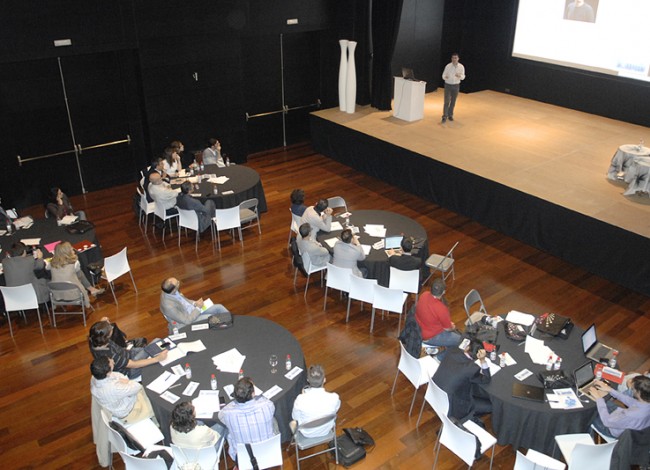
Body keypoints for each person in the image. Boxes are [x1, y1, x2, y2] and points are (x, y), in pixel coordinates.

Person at [433, 338, 492, 421]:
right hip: (452, 404)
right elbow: (486, 379)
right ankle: (468, 419)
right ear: (478, 356)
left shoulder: (452, 351)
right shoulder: (471, 368)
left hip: (434, 391)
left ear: (467, 347)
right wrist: (483, 361)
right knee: (490, 406)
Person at [218, 377, 276, 460]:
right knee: (273, 420)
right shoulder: (267, 406)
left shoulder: (228, 413)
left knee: (227, 428)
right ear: (253, 394)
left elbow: (220, 416)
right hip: (269, 452)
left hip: (242, 458)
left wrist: (233, 403)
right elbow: (266, 401)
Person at [89, 319, 168, 379]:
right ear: (106, 338)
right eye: (110, 329)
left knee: (154, 348)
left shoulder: (93, 340)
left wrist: (103, 323)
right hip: (130, 370)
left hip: (128, 353)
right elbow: (134, 364)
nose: (112, 327)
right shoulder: (111, 356)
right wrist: (157, 359)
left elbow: (99, 326)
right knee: (156, 342)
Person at [90, 356, 157, 424]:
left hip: (124, 401)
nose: (113, 361)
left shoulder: (95, 378)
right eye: (111, 362)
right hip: (131, 411)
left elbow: (118, 375)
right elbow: (137, 386)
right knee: (157, 404)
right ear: (108, 373)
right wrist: (128, 382)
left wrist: (125, 382)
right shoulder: (113, 388)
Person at [159, 277, 231, 330]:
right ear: (174, 289)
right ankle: (225, 329)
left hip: (192, 310)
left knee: (219, 307)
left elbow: (184, 300)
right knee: (212, 317)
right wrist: (198, 308)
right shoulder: (168, 306)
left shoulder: (170, 290)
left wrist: (194, 303)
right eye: (177, 283)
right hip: (189, 318)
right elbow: (186, 321)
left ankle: (231, 323)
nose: (178, 281)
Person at [47, 241, 104, 308]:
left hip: (57, 294)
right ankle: (91, 289)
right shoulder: (75, 263)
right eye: (71, 248)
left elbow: (47, 268)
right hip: (74, 293)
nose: (73, 249)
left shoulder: (51, 264)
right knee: (79, 273)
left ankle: (92, 289)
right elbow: (79, 274)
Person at [291, 365, 340, 438]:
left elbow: (295, 417)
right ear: (324, 380)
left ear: (308, 380)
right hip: (326, 430)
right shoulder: (334, 397)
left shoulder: (300, 400)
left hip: (306, 433)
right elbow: (335, 410)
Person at [415, 278, 461, 354]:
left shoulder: (424, 295)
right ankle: (439, 357)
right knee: (461, 341)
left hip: (418, 330)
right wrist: (453, 326)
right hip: (430, 336)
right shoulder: (441, 309)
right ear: (443, 292)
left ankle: (434, 348)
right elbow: (448, 329)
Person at [441, 53, 465, 123]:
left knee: (453, 102)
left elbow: (463, 77)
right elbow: (443, 75)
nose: (454, 59)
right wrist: (445, 77)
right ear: (451, 59)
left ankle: (450, 115)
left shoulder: (461, 66)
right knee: (446, 101)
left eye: (455, 58)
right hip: (448, 85)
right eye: (453, 58)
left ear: (458, 59)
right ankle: (444, 116)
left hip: (456, 85)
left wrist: (459, 76)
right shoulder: (448, 66)